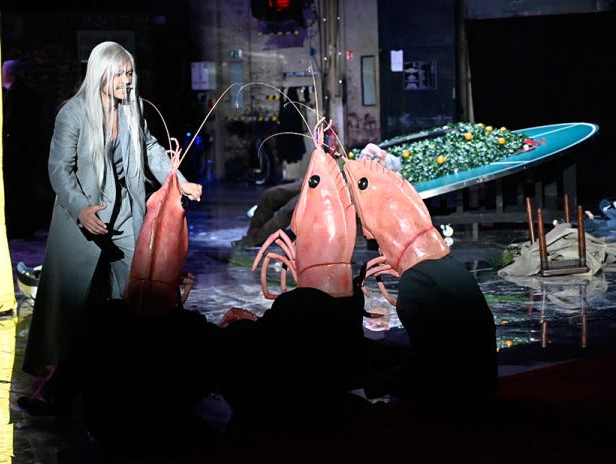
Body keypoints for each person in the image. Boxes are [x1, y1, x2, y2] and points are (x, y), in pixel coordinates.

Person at [21, 41, 203, 380]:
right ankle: (59, 377)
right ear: (100, 74)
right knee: (76, 303)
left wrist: (180, 181)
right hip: (84, 220)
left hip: (126, 218)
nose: (127, 80)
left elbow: (151, 149)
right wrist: (80, 208)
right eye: (119, 73)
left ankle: (129, 368)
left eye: (130, 73)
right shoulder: (73, 113)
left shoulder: (132, 110)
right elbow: (60, 168)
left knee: (134, 293)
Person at [233, 143, 401, 249]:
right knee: (272, 194)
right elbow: (370, 147)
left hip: (336, 189)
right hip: (329, 176)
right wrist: (372, 154)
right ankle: (251, 234)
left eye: (379, 162)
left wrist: (379, 160)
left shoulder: (383, 173)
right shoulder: (368, 158)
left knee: (292, 208)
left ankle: (256, 240)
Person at [2, 58, 43, 240]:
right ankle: (24, 227)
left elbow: (11, 123)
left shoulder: (15, 94)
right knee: (22, 190)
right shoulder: (28, 93)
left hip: (16, 152)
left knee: (16, 190)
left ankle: (18, 227)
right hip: (24, 151)